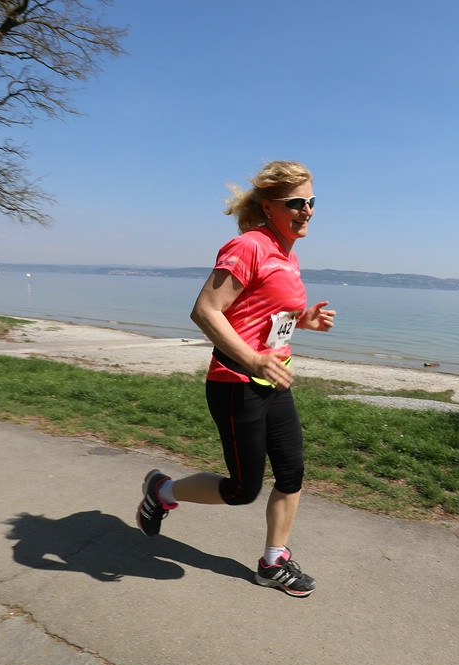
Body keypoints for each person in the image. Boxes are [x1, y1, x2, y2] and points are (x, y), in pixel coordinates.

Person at [136, 160, 335, 597]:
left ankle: (273, 562)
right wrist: (252, 359)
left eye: (312, 202)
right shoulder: (248, 246)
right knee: (243, 489)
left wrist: (303, 321)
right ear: (269, 205)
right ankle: (161, 491)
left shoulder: (286, 251)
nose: (307, 211)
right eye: (297, 203)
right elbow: (205, 310)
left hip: (273, 380)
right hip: (234, 383)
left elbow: (262, 313)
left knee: (291, 473)